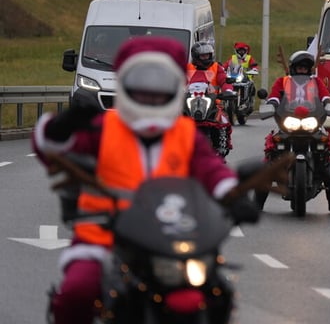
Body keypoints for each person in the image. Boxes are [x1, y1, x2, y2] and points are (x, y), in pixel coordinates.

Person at [33, 36, 259, 324]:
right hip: (104, 235)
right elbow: (50, 150)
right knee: (79, 290)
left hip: (174, 235)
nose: (150, 94)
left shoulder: (184, 133)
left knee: (217, 291)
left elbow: (212, 169)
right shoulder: (104, 127)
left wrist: (234, 194)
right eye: (141, 86)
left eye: (160, 86)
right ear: (125, 84)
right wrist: (61, 127)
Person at [266, 50, 330, 214]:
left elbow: (325, 97)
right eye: (299, 67)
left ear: (310, 69)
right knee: (269, 158)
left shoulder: (316, 82)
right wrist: (271, 104)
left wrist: (329, 105)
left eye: (305, 68)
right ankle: (258, 201)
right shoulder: (283, 81)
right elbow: (274, 97)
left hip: (311, 122)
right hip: (288, 123)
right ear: (293, 68)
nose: (302, 70)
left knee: (328, 159)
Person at [187, 41, 235, 151]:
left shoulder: (216, 67)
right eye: (203, 56)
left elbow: (224, 80)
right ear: (196, 56)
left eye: (207, 55)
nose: (206, 58)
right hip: (190, 104)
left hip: (213, 104)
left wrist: (228, 90)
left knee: (223, 121)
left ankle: (221, 145)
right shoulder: (187, 68)